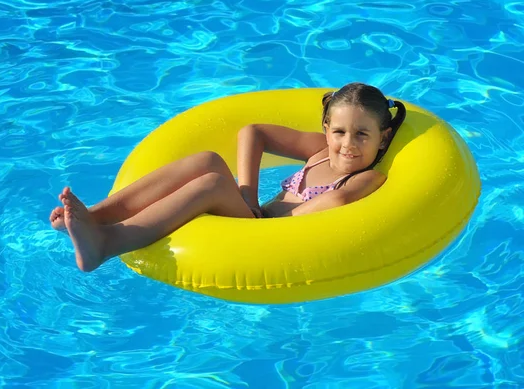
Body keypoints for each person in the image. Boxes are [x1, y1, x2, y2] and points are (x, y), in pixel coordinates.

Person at [49, 82, 406, 272]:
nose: (347, 145)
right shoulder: (320, 150)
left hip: (267, 236)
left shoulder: (365, 179)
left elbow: (335, 203)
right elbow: (253, 133)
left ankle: (107, 244)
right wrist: (247, 196)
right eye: (340, 132)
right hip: (253, 216)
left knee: (214, 184)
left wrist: (253, 215)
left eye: (362, 135)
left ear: (384, 138)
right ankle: (94, 218)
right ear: (326, 129)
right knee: (207, 160)